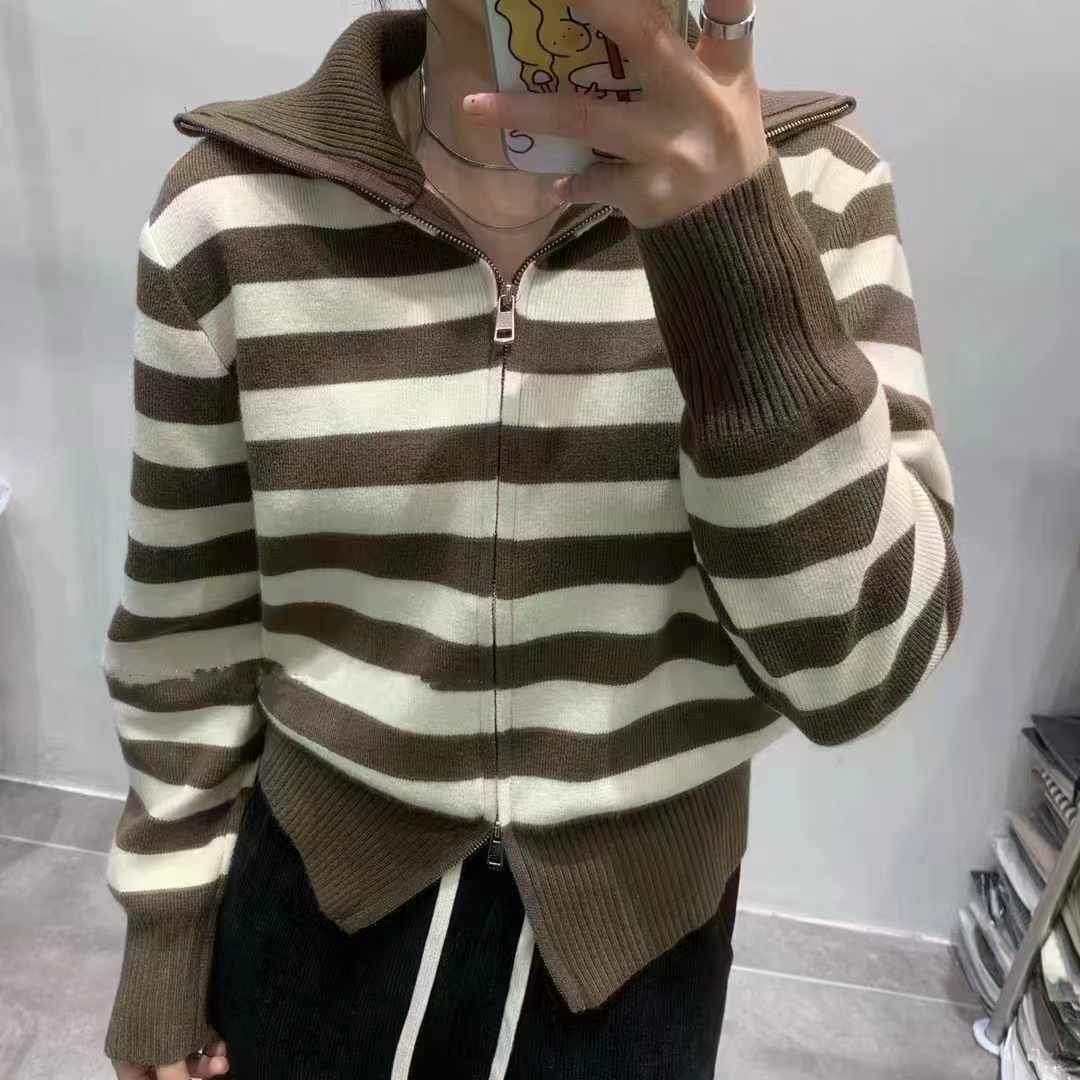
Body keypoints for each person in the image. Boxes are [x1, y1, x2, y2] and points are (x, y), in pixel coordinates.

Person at [101, 1, 963, 1077]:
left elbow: (861, 670)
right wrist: (165, 941)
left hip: (640, 959)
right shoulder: (228, 209)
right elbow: (189, 629)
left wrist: (732, 247)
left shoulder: (818, 188)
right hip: (313, 918)